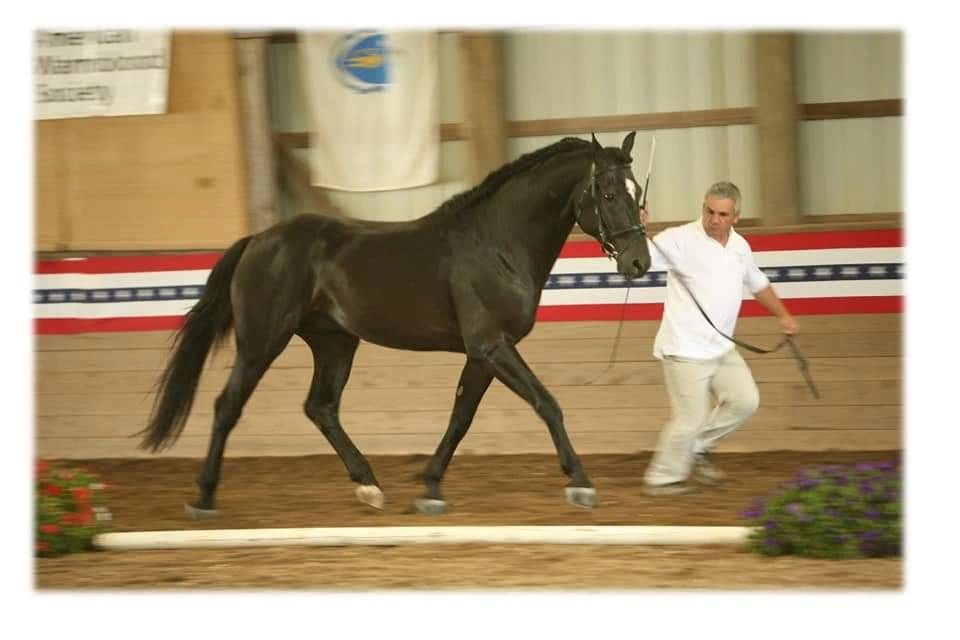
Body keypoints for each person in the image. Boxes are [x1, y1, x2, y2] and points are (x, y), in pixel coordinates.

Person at [639, 181, 799, 496]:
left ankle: (697, 447)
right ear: (703, 207)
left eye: (722, 214)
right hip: (683, 349)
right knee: (690, 418)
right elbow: (638, 261)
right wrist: (635, 229)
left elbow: (758, 283)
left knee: (745, 401)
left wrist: (783, 315)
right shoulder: (679, 239)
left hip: (721, 348)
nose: (714, 219)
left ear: (735, 216)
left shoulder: (740, 247)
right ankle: (662, 478)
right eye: (709, 211)